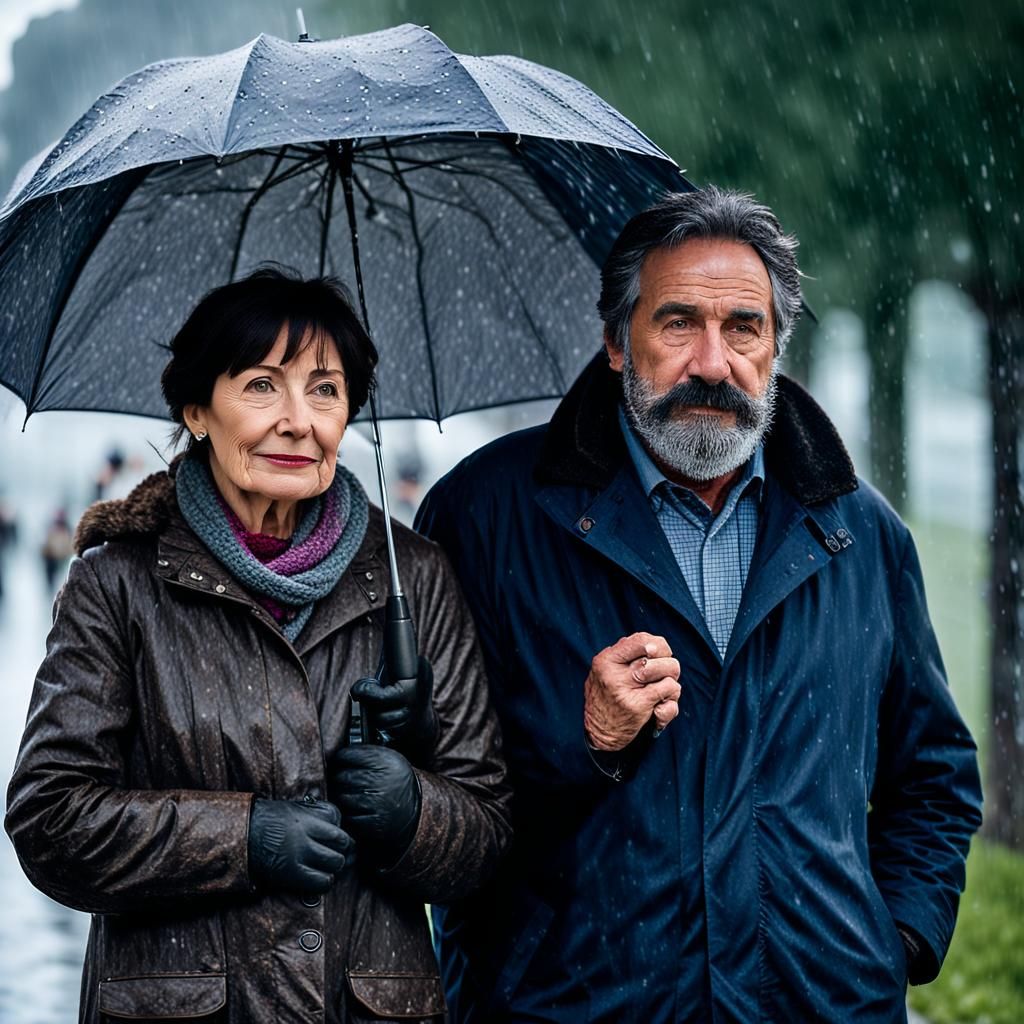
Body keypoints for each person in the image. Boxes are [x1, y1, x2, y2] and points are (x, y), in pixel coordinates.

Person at [415, 187, 983, 1023]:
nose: (713, 363)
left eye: (744, 328)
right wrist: (586, 746)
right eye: (678, 323)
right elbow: (435, 802)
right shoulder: (485, 517)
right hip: (567, 1008)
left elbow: (932, 776)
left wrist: (887, 943)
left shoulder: (863, 535)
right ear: (616, 342)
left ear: (776, 346)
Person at [6, 267, 511, 1024]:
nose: (297, 420)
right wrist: (242, 837)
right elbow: (52, 820)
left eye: (325, 390)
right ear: (197, 410)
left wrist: (412, 809)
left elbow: (487, 834)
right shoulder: (118, 584)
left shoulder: (417, 577)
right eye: (262, 386)